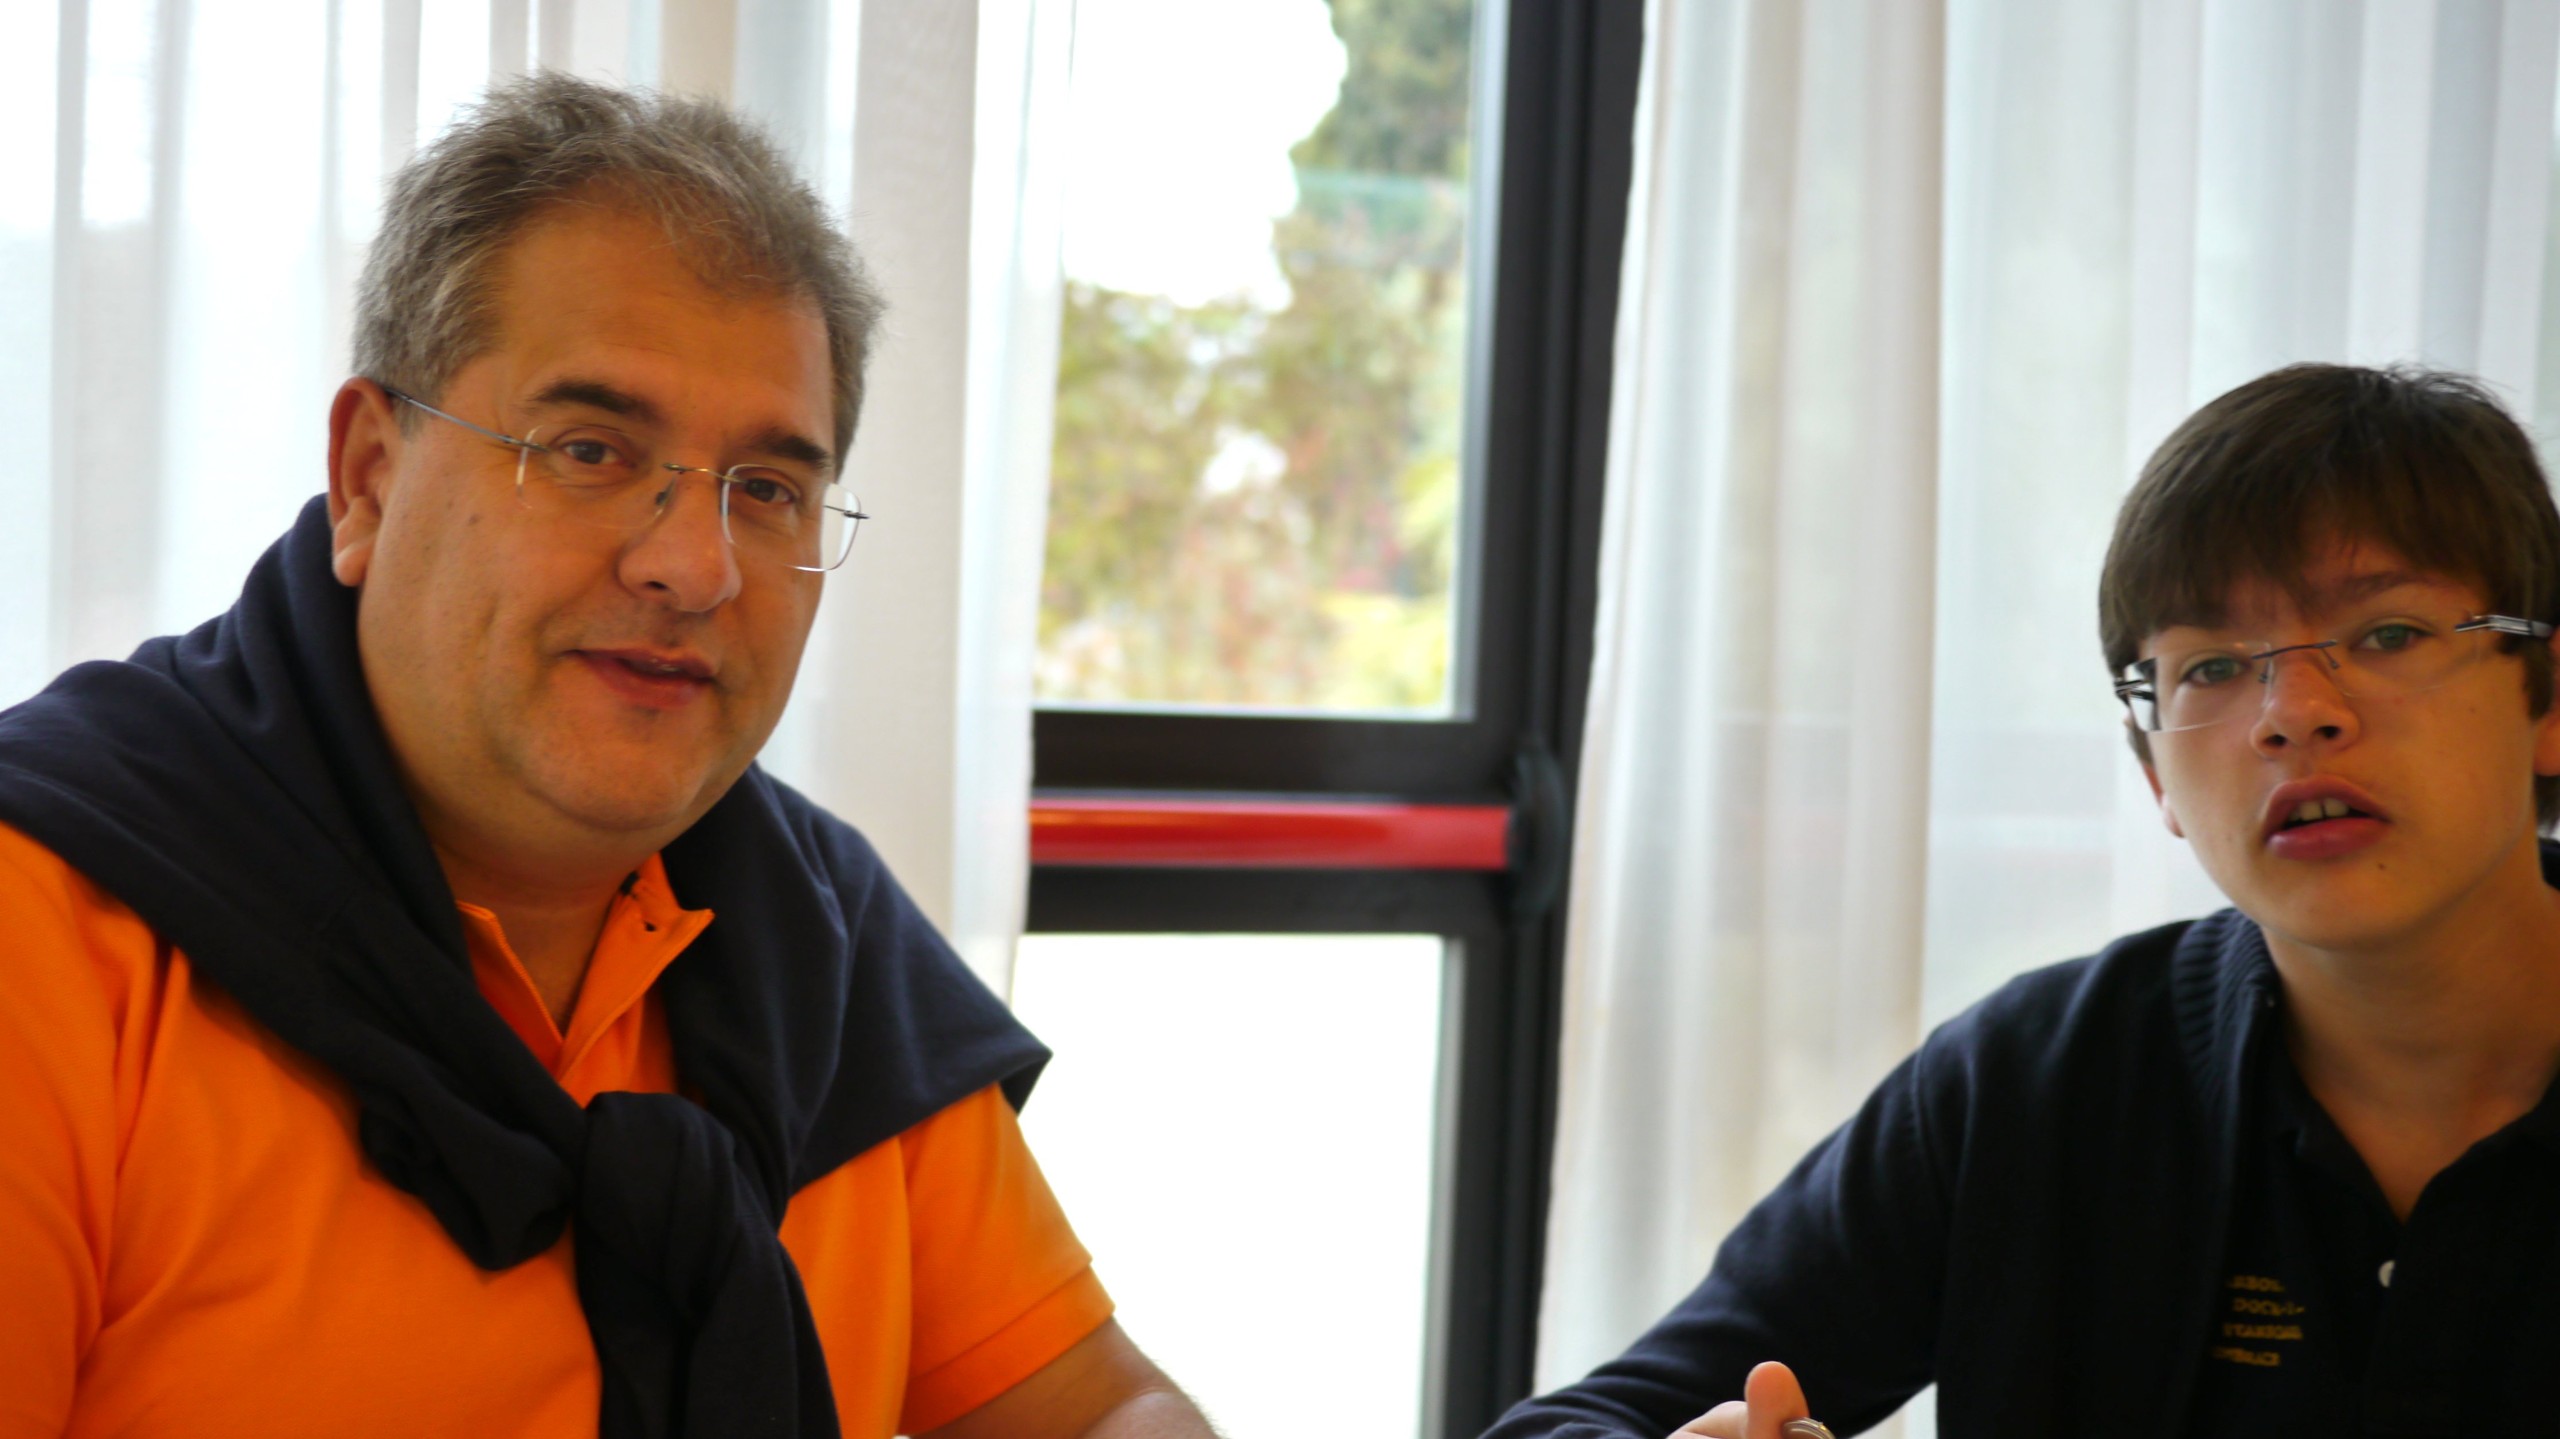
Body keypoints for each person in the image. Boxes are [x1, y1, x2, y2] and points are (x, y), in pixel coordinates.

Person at [0, 74, 1214, 1439]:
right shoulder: (52, 919)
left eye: (768, 490)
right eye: (589, 449)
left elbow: (1095, 1404)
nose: (694, 564)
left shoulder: (813, 932)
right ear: (370, 476)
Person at [1485, 363, 2560, 1438]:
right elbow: (1595, 1415)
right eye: (2211, 667)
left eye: (2388, 634)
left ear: (2549, 702)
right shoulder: (2038, 1081)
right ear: (2154, 773)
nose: (2293, 713)